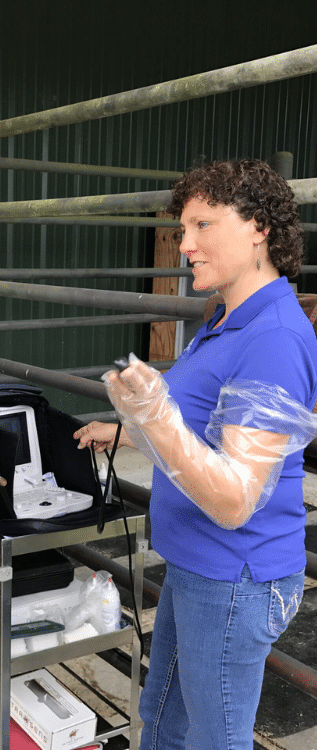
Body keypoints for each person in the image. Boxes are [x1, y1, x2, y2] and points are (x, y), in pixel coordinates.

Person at [73, 159, 317, 750]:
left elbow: (236, 498)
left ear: (258, 227)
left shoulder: (274, 339)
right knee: (160, 723)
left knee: (215, 740)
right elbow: (199, 425)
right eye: (184, 230)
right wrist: (127, 428)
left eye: (203, 226)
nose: (185, 246)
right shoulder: (227, 317)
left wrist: (153, 416)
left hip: (233, 574)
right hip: (197, 564)